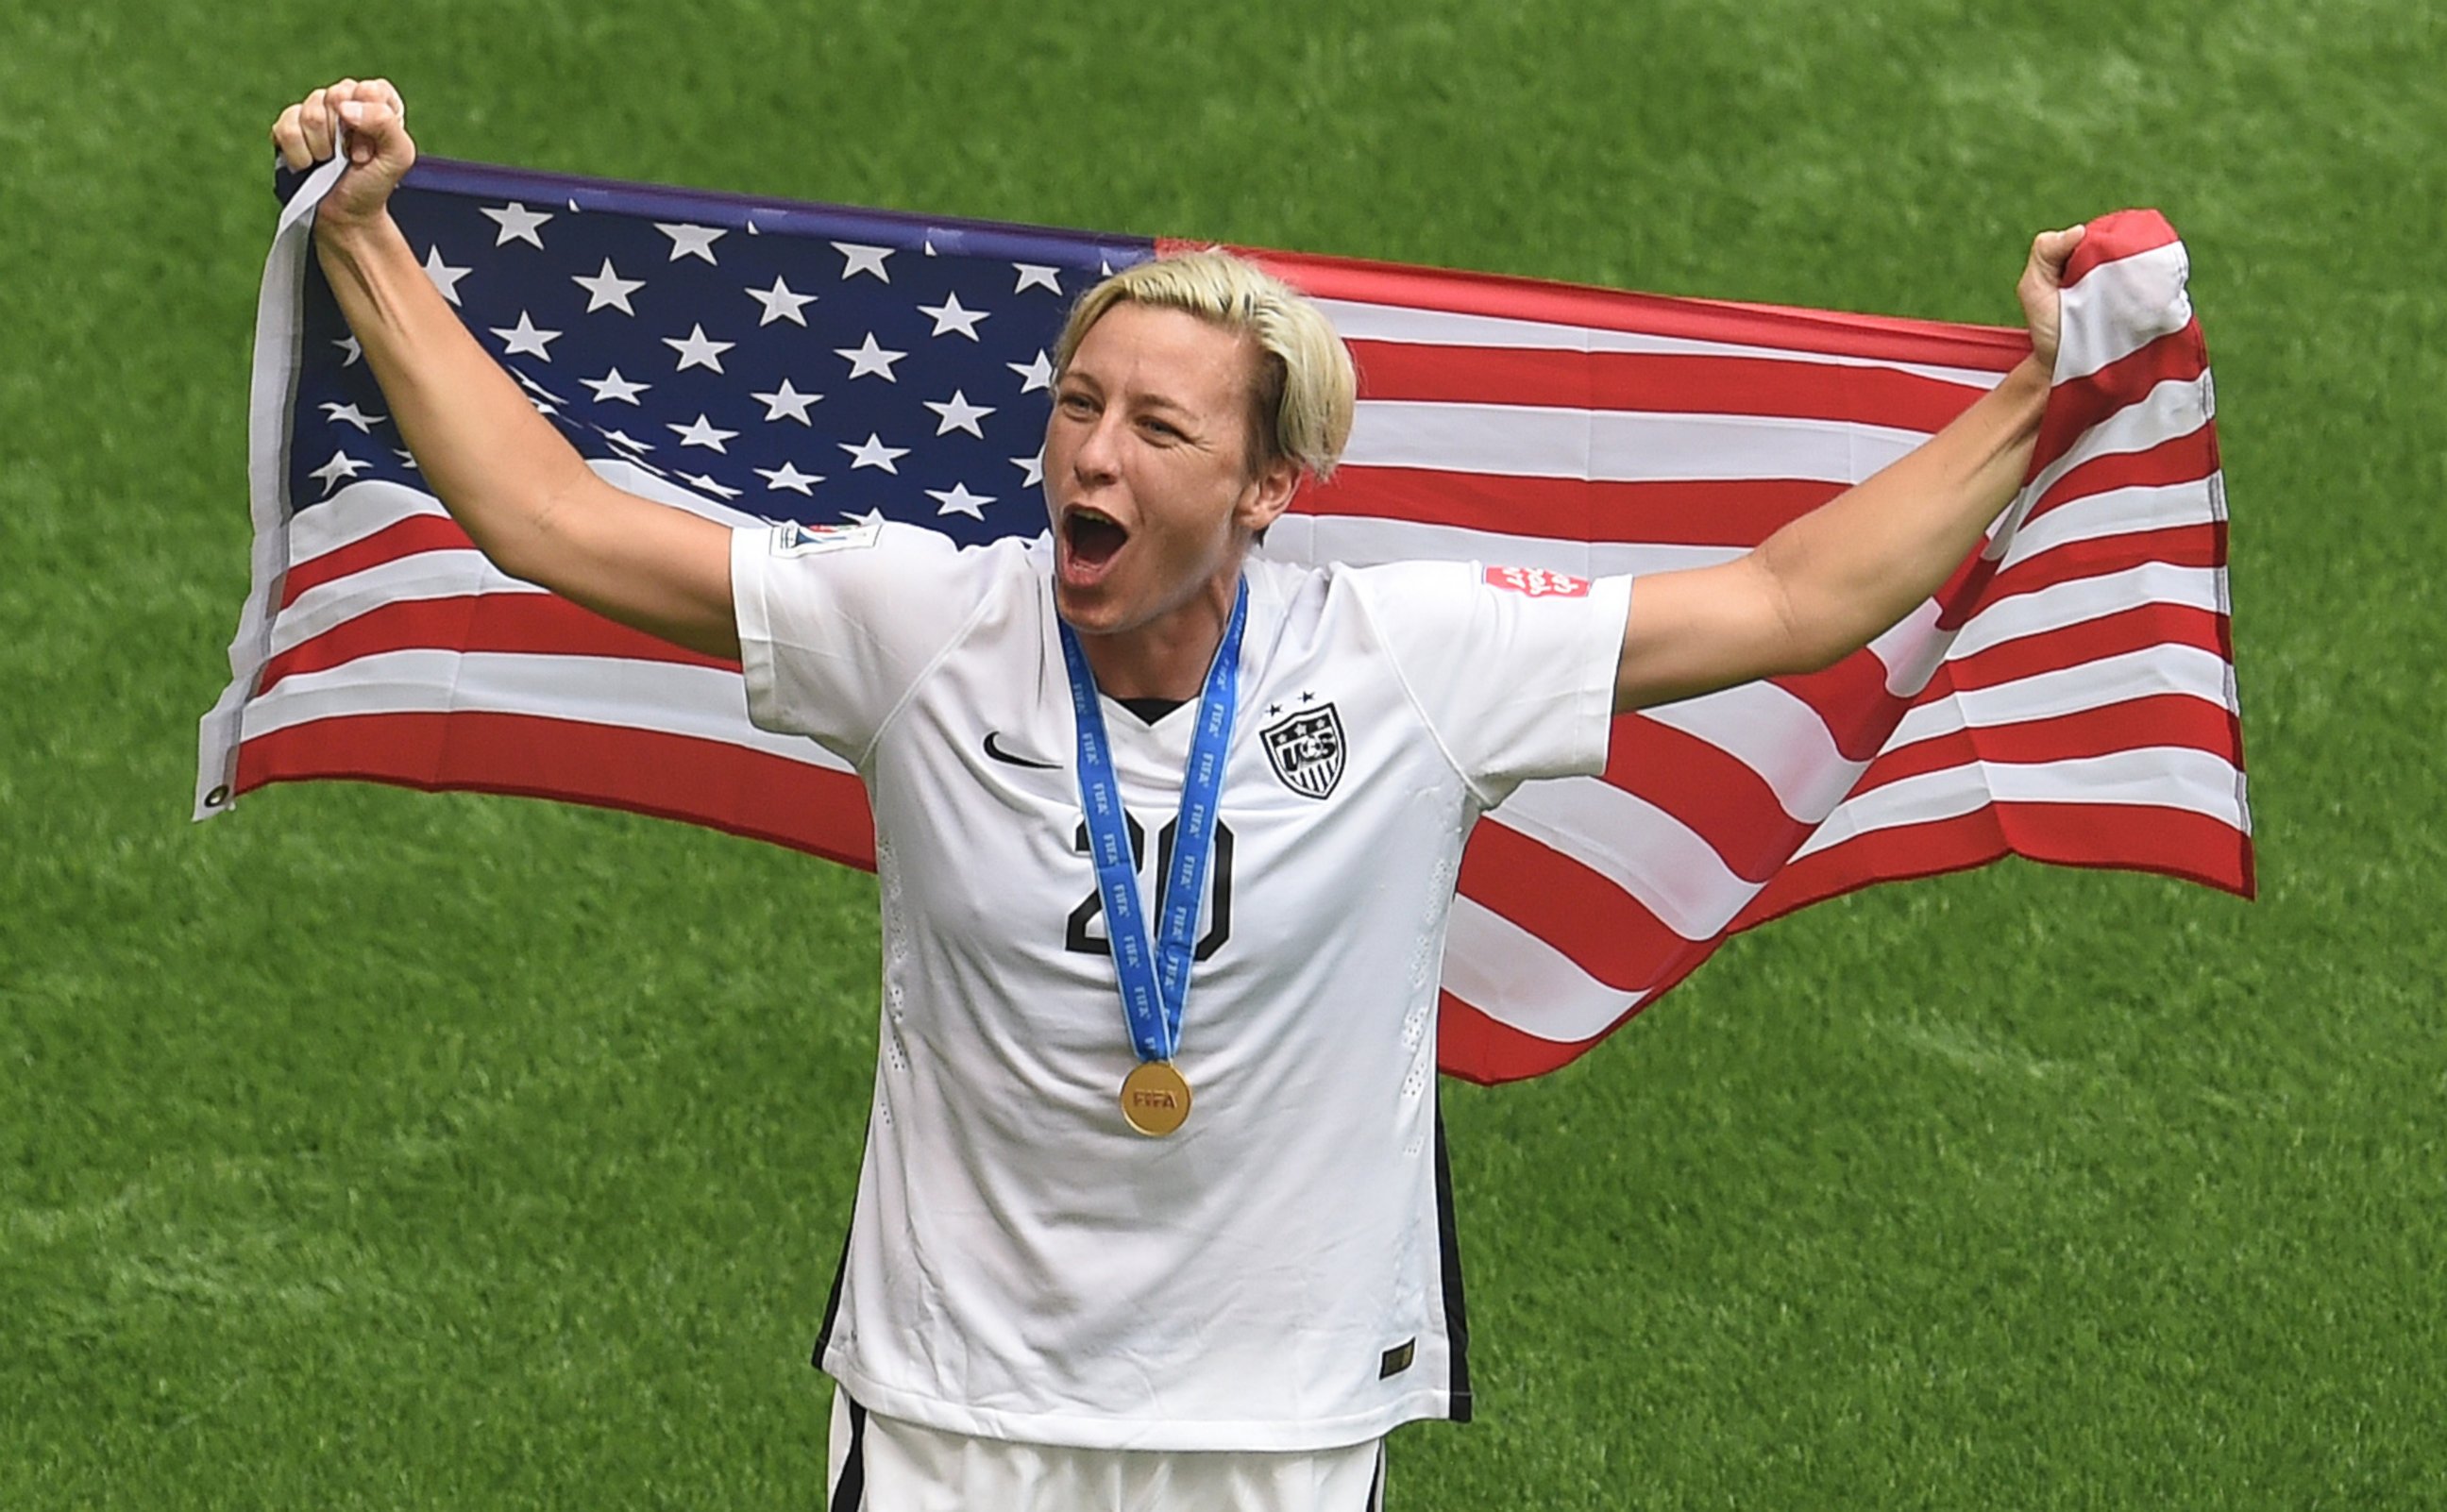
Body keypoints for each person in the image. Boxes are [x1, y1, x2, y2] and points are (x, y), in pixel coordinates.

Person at [272, 77, 2084, 1512]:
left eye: (1158, 426)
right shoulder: (920, 624)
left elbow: (1789, 602)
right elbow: (557, 517)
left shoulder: (1412, 664)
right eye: (1077, 406)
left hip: (1277, 1427)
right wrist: (366, 240)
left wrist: (2042, 384)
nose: (1092, 450)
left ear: (1269, 485)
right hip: (953, 1417)